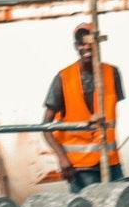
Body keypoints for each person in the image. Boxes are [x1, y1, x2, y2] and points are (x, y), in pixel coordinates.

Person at [43, 23, 124, 191]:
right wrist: (62, 158)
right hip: (80, 169)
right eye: (82, 43)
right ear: (76, 47)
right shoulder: (63, 78)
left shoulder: (112, 73)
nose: (87, 47)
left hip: (111, 163)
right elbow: (45, 126)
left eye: (90, 42)